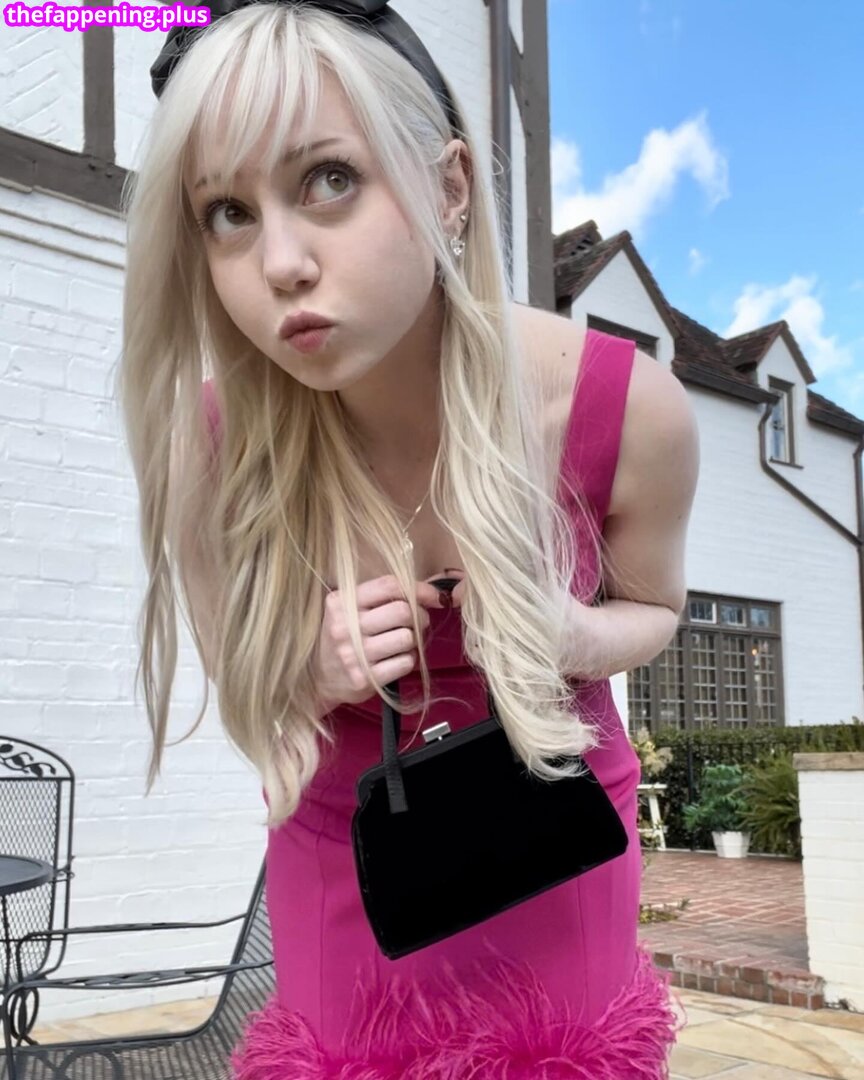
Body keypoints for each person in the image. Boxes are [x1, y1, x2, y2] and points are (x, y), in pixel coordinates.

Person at [117, 0, 700, 1074]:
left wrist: (572, 635)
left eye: (328, 179)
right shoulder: (209, 447)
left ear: (449, 186)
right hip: (346, 853)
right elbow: (242, 676)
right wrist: (312, 665)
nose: (281, 263)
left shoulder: (627, 411)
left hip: (559, 836)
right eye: (227, 212)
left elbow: (657, 610)